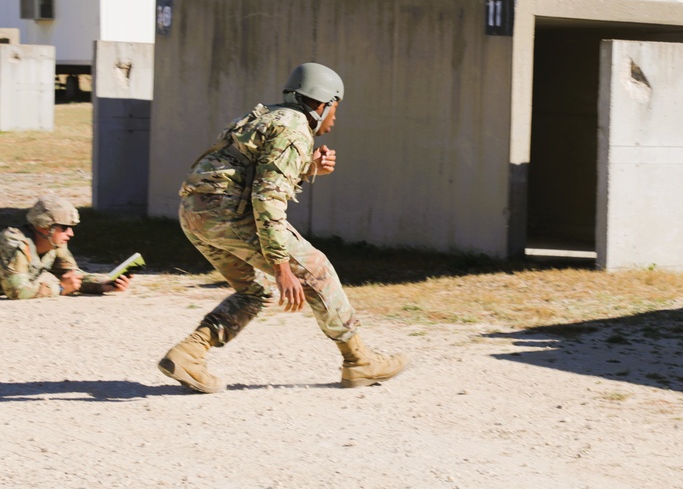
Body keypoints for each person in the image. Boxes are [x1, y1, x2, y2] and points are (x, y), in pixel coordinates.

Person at [158, 62, 408, 393]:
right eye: (336, 108)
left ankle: (189, 353)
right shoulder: (294, 129)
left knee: (254, 291)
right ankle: (359, 361)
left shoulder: (267, 116)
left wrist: (309, 166)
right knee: (316, 269)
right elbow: (267, 200)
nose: (335, 117)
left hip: (195, 213)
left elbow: (252, 170)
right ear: (322, 104)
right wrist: (282, 267)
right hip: (229, 213)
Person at [0, 196, 132, 299]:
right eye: (64, 228)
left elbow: (72, 276)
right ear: (44, 226)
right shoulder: (14, 242)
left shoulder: (54, 244)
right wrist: (61, 288)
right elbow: (17, 291)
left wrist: (103, 284)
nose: (70, 233)